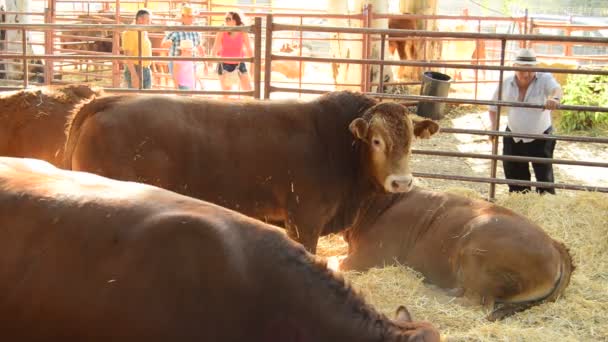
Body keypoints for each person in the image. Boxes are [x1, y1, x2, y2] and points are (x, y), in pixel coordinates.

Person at [488, 48, 563, 194]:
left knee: (544, 176)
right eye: (523, 70)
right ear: (514, 67)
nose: (527, 74)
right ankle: (521, 202)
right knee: (514, 174)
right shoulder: (506, 82)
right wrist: (493, 127)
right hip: (514, 135)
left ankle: (545, 206)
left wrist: (554, 99)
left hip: (540, 136)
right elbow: (493, 107)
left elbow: (557, 89)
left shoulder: (544, 78)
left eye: (531, 70)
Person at [161, 4, 207, 85]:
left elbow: (200, 47)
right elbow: (164, 44)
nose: (191, 18)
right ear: (183, 17)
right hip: (177, 64)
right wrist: (167, 44)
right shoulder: (175, 30)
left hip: (191, 63)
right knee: (181, 87)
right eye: (189, 16)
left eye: (192, 16)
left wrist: (205, 63)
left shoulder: (195, 32)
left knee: (190, 87)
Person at [212, 11, 253, 96]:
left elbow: (249, 47)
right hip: (224, 64)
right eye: (225, 19)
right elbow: (215, 46)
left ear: (234, 21)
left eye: (228, 19)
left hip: (239, 64)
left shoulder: (242, 31)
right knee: (226, 94)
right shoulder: (222, 31)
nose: (225, 21)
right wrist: (210, 60)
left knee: (248, 91)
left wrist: (252, 64)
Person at [121, 9, 152, 89]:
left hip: (145, 68)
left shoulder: (142, 31)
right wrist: (134, 75)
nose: (149, 23)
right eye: (148, 20)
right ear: (140, 19)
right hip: (136, 68)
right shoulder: (130, 32)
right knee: (135, 98)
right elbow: (128, 55)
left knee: (146, 99)